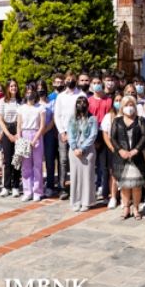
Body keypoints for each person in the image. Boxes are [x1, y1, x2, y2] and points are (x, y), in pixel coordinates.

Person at [111, 95, 145, 220]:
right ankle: (126, 207)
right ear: (122, 107)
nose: (129, 107)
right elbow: (113, 138)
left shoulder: (140, 120)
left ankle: (136, 208)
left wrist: (136, 150)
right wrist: (120, 150)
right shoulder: (117, 121)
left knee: (136, 186)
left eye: (131, 105)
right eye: (126, 105)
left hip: (136, 158)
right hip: (121, 158)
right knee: (124, 186)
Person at [54, 71, 84, 200]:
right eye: (68, 79)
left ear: (75, 80)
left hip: (77, 133)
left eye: (72, 79)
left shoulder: (81, 95)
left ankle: (76, 187)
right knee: (63, 160)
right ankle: (62, 187)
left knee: (76, 160)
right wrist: (62, 132)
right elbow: (57, 115)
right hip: (64, 133)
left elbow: (83, 115)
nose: (70, 81)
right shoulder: (61, 96)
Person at [67, 95, 98, 213]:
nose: (81, 105)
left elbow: (93, 135)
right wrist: (74, 147)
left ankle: (86, 202)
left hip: (88, 151)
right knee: (75, 176)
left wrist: (83, 148)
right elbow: (70, 134)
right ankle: (76, 201)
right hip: (74, 151)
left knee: (87, 176)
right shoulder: (72, 118)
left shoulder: (92, 119)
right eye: (79, 103)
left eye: (84, 103)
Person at [16, 83, 45, 202]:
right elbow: (18, 125)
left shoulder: (40, 108)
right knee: (25, 166)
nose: (29, 94)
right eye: (27, 92)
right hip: (24, 135)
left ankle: (37, 191)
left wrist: (35, 139)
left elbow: (42, 125)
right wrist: (19, 139)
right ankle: (27, 191)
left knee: (37, 165)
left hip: (36, 134)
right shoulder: (21, 108)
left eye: (31, 92)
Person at [0, 79, 22, 198]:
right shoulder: (2, 101)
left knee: (17, 160)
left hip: (18, 130)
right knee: (7, 161)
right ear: (7, 88)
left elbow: (22, 118)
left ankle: (16, 186)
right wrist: (8, 135)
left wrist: (17, 134)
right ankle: (6, 186)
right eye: (11, 86)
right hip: (7, 131)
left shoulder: (20, 101)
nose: (13, 88)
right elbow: (0, 120)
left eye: (15, 86)